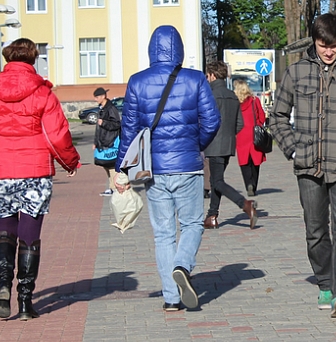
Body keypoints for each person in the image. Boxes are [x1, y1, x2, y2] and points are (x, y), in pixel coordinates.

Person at [0, 38, 80, 321]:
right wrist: (69, 161)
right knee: (30, 236)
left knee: (3, 231)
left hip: (0, 170)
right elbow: (57, 134)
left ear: (7, 59)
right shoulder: (42, 92)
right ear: (33, 60)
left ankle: (4, 284)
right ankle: (26, 301)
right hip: (35, 172)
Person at [269, 12, 336, 318]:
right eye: (323, 44)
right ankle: (325, 282)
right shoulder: (296, 72)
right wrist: (294, 149)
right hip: (308, 165)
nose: (329, 50)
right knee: (315, 231)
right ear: (314, 41)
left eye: (335, 45)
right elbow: (276, 117)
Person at [114, 25, 220, 312]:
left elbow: (130, 130)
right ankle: (182, 265)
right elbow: (212, 122)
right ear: (180, 49)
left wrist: (120, 169)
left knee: (163, 234)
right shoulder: (196, 79)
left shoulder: (137, 82)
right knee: (192, 224)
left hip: (153, 170)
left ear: (151, 50)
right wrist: (194, 144)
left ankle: (171, 298)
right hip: (188, 166)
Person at [203, 61, 257, 230]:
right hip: (228, 144)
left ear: (212, 75)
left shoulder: (209, 95)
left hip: (213, 144)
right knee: (215, 180)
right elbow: (239, 123)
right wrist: (228, 134)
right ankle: (212, 216)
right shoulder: (232, 95)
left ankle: (245, 205)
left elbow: (204, 121)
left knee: (217, 182)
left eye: (207, 76)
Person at [233, 79, 267, 197]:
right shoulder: (254, 100)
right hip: (253, 133)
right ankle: (254, 184)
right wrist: (258, 124)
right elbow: (262, 116)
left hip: (240, 134)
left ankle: (248, 184)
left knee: (244, 162)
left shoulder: (235, 103)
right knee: (255, 162)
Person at [92, 87, 121, 196]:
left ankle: (114, 188)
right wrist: (95, 142)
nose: (96, 99)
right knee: (105, 164)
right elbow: (98, 128)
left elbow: (117, 124)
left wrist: (104, 122)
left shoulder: (111, 108)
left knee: (111, 165)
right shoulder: (102, 108)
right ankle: (111, 187)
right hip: (102, 141)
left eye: (97, 97)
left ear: (103, 96)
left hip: (111, 141)